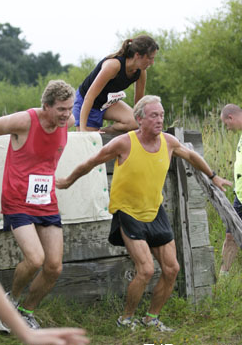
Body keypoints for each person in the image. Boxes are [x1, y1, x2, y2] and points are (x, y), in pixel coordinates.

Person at [56, 95, 232, 331]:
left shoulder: (169, 142)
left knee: (172, 269)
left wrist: (213, 176)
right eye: (153, 115)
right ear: (139, 119)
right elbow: (91, 162)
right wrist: (67, 181)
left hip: (154, 210)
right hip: (128, 211)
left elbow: (191, 155)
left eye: (161, 115)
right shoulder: (124, 143)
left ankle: (151, 319)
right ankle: (126, 319)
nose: (159, 119)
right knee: (146, 269)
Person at [0, 80, 75, 332]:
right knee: (34, 259)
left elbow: (85, 122)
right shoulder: (25, 120)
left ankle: (26, 311)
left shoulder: (69, 122)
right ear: (46, 106)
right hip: (17, 199)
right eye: (61, 109)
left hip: (46, 201)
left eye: (69, 108)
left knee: (54, 267)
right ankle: (10, 304)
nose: (66, 114)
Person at [0, 209, 89, 345]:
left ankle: (23, 312)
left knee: (53, 267)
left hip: (46, 205)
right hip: (19, 204)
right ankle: (13, 302)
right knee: (35, 260)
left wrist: (26, 334)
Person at [73, 35, 159, 133]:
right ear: (137, 55)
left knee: (135, 123)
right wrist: (83, 131)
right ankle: (91, 132)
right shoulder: (113, 66)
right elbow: (89, 97)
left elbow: (138, 104)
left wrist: (143, 127)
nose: (152, 62)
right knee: (89, 140)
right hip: (86, 102)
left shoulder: (141, 72)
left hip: (107, 103)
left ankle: (102, 132)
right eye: (150, 58)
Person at [219, 103, 242, 275]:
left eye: (227, 124)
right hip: (240, 194)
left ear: (231, 117)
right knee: (230, 235)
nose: (228, 128)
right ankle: (224, 276)